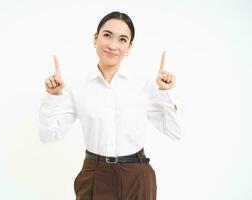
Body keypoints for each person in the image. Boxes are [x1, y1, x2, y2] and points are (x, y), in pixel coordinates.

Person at [38, 11, 182, 200]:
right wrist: (53, 97)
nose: (113, 45)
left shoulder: (144, 84)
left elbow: (175, 132)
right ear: (95, 38)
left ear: (129, 47)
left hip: (137, 175)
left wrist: (164, 92)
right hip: (95, 174)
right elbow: (48, 136)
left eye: (122, 40)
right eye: (107, 36)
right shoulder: (77, 86)